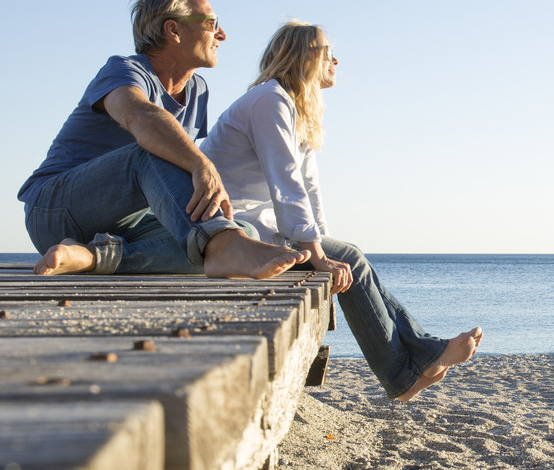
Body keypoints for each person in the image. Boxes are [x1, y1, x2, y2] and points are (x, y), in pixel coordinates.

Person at [199, 21, 481, 401]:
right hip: (233, 230)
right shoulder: (271, 101)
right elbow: (287, 184)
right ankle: (405, 374)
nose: (335, 60)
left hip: (261, 226)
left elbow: (310, 190)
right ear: (304, 56)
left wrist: (323, 250)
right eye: (327, 51)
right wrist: (318, 255)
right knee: (349, 256)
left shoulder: (294, 107)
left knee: (347, 254)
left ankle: (421, 356)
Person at [18, 0, 310, 278]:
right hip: (54, 210)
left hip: (127, 222)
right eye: (211, 23)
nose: (221, 34)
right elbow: (140, 117)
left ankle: (91, 257)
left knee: (240, 230)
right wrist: (201, 163)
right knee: (153, 150)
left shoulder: (197, 89)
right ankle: (222, 246)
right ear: (173, 29)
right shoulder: (122, 71)